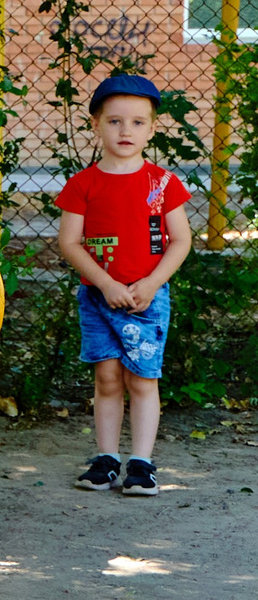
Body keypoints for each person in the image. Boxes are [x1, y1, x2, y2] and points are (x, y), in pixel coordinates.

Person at [55, 73, 192, 496]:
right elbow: (69, 243)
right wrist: (105, 283)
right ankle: (107, 458)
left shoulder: (163, 184)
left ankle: (142, 464)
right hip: (99, 298)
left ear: (152, 129)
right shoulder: (83, 184)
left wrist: (150, 284)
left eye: (137, 122)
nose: (125, 130)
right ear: (95, 124)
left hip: (146, 297)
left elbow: (181, 241)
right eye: (114, 121)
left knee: (142, 379)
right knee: (108, 378)